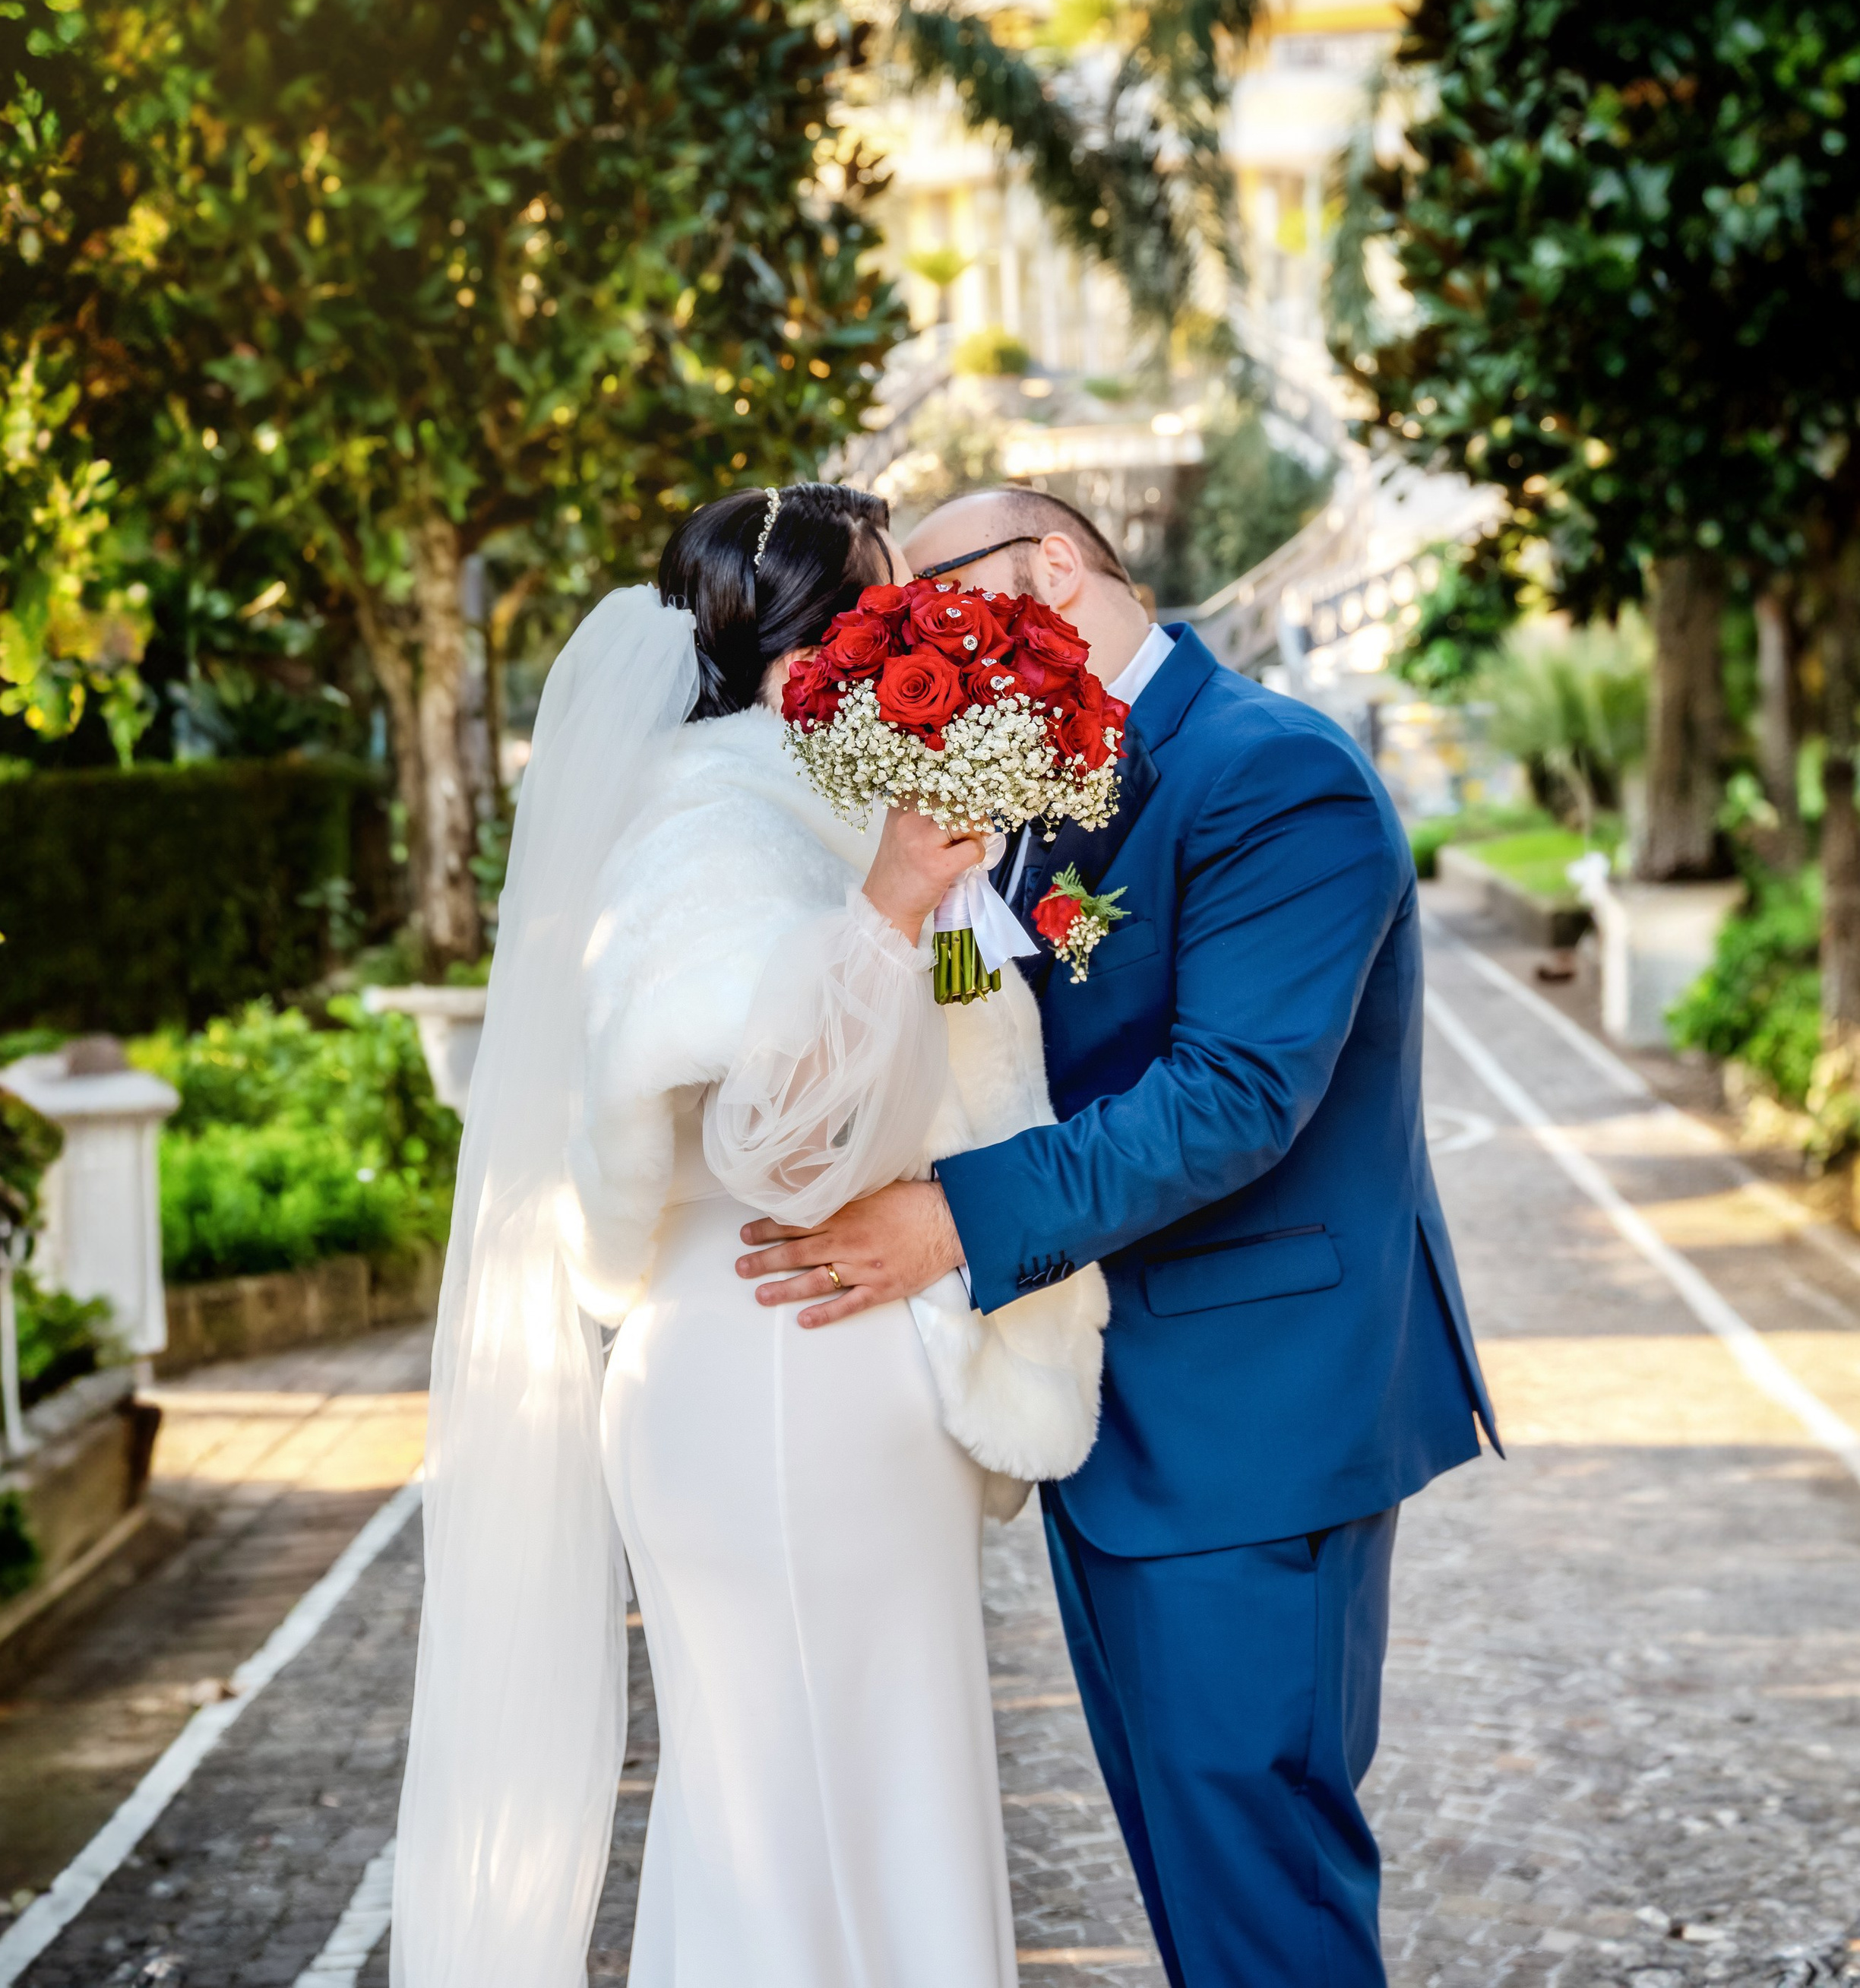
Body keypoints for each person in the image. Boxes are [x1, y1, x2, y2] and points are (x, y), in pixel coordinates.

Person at [738, 485, 1500, 1988]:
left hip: (1253, 1421)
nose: (913, 636)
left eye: (931, 599)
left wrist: (948, 1220)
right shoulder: (1051, 786)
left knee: (1259, 1891)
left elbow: (1230, 1098)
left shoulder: (1275, 777)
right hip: (1126, 1428)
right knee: (1195, 1883)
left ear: (1056, 567)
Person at [388, 481, 1106, 1988]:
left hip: (838, 1368)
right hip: (774, 1365)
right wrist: (892, 909)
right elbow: (773, 1145)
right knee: (795, 1832)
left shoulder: (826, 800)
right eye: (892, 600)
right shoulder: (711, 815)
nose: (928, 627)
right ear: (820, 647)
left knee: (867, 1799)